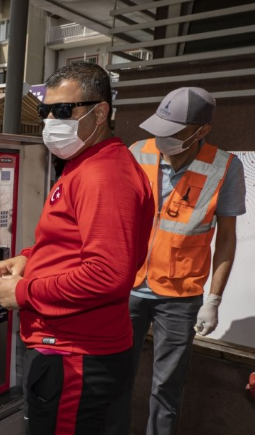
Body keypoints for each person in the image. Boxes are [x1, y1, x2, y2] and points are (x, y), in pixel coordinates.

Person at [0, 62, 154, 434]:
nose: (51, 120)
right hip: (70, 350)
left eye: (64, 111)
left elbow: (108, 274)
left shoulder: (103, 175)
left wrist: (24, 293)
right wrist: (28, 260)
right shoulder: (85, 165)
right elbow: (71, 243)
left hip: (76, 357)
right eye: (45, 111)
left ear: (100, 112)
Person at [106, 87, 246, 435]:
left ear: (202, 130)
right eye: (159, 127)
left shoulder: (225, 167)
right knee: (113, 377)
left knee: (166, 389)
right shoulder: (138, 152)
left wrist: (213, 300)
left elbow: (226, 238)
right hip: (129, 286)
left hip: (181, 296)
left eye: (174, 131)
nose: (161, 137)